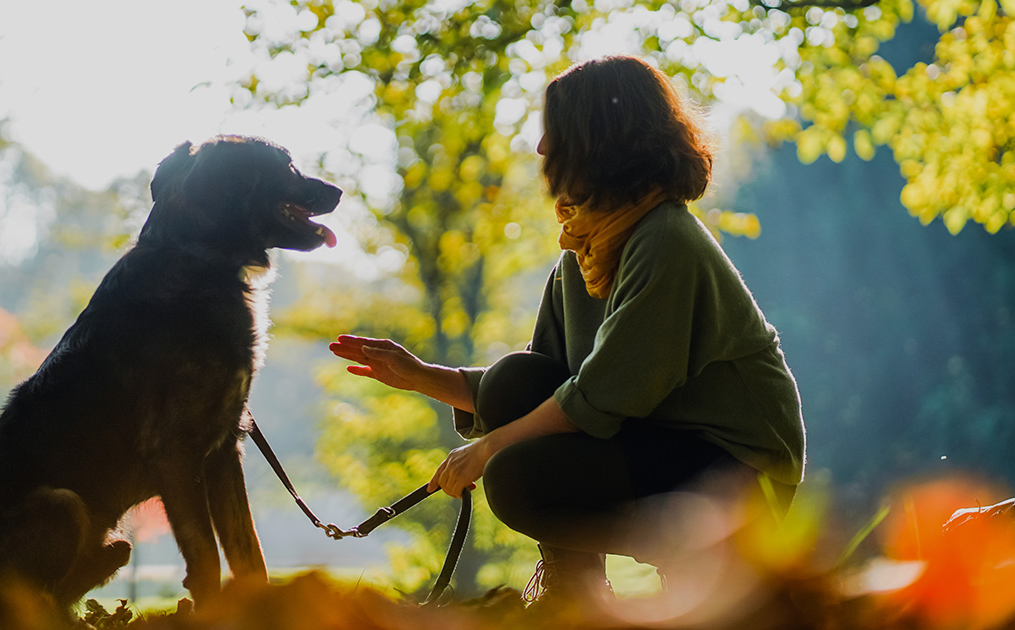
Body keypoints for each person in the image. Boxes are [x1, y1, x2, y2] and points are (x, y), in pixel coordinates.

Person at [328, 55, 805, 608]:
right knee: (516, 380)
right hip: (657, 442)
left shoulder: (666, 239)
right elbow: (537, 388)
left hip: (739, 474)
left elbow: (600, 396)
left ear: (596, 139)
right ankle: (573, 593)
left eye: (554, 132)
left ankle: (719, 561)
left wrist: (486, 452)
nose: (541, 150)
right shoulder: (588, 249)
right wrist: (419, 376)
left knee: (515, 478)